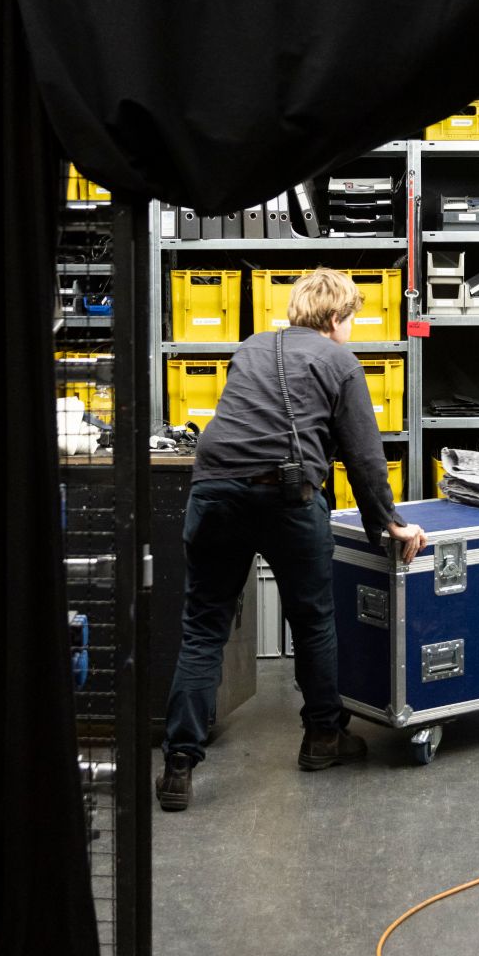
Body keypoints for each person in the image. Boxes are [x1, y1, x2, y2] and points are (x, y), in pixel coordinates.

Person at [156, 268, 427, 811]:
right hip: (286, 495)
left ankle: (179, 762)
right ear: (336, 317)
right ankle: (323, 738)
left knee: (204, 627)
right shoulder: (340, 362)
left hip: (213, 490)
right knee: (312, 621)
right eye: (351, 318)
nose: (352, 328)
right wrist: (389, 522)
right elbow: (364, 457)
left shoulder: (251, 346)